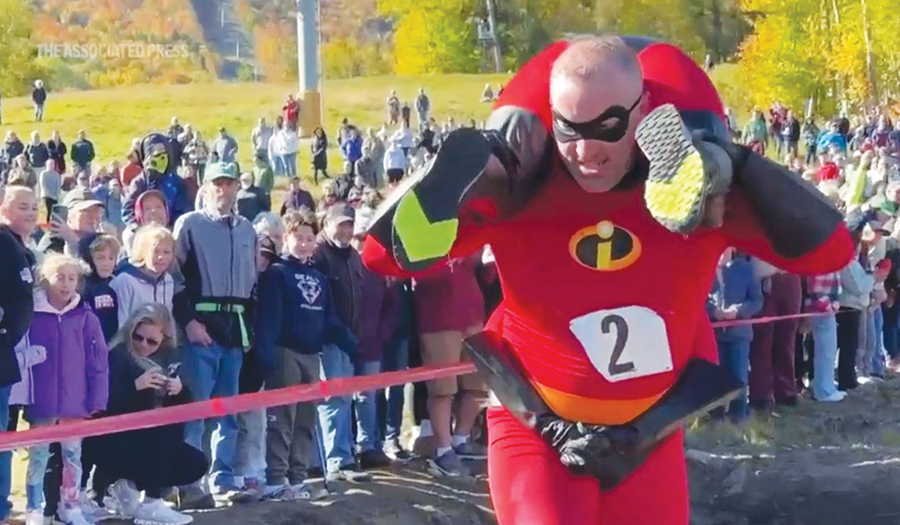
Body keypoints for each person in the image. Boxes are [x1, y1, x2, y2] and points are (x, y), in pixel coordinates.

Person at [361, 35, 853, 524]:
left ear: (643, 115)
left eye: (607, 127)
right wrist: (474, 167)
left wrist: (733, 164)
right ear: (548, 122)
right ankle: (508, 137)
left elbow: (831, 251)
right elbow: (384, 255)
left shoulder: (699, 198)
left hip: (646, 437)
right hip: (538, 428)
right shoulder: (521, 191)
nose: (586, 151)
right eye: (569, 129)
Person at [255, 209, 356, 498]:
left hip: (312, 355)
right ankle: (275, 479)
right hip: (285, 352)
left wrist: (351, 342)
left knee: (305, 419)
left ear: (315, 242)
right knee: (282, 419)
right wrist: (267, 355)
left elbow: (329, 320)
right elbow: (269, 320)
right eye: (297, 238)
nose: (303, 243)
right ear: (286, 239)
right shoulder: (276, 274)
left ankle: (297, 477)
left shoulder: (319, 277)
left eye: (309, 239)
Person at [173, 162, 257, 501]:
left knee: (228, 413)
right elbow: (175, 278)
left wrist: (247, 330)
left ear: (238, 187)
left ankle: (221, 478)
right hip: (201, 327)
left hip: (234, 329)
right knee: (196, 410)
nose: (224, 189)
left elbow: (253, 286)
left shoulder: (248, 229)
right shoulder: (190, 225)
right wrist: (190, 323)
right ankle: (188, 482)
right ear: (206, 187)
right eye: (217, 183)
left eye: (230, 183)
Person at [83, 304, 206, 525]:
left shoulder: (170, 358)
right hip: (108, 440)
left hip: (145, 441)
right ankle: (152, 500)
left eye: (152, 341)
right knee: (165, 427)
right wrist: (134, 387)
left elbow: (187, 409)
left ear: (164, 340)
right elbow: (100, 408)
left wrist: (179, 391)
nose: (143, 345)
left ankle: (129, 487)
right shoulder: (117, 355)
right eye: (138, 337)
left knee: (195, 462)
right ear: (130, 331)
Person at [24, 254, 109, 525]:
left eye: (72, 278)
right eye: (60, 277)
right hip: (41, 403)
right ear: (45, 279)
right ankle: (34, 509)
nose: (66, 283)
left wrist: (98, 398)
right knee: (37, 458)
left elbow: (99, 361)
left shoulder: (85, 317)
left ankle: (70, 506)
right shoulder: (31, 314)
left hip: (76, 403)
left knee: (73, 458)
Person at [314, 205, 372, 482]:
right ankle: (336, 461)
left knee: (344, 399)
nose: (346, 231)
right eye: (341, 225)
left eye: (350, 225)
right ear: (326, 223)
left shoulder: (353, 257)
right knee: (332, 399)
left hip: (349, 339)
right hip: (328, 340)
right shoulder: (318, 254)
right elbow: (321, 304)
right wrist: (342, 334)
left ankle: (344, 456)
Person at [0, 186, 39, 525]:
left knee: (5, 436)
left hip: (6, 361)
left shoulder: (20, 248)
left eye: (34, 207)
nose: (31, 212)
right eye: (23, 206)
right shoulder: (2, 242)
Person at [706, 248, 763, 421]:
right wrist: (713, 311)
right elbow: (699, 299)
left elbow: (757, 301)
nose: (721, 253)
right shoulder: (706, 269)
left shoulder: (744, 269)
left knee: (739, 376)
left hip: (739, 333)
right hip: (715, 334)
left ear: (732, 248)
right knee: (717, 376)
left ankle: (738, 417)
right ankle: (716, 416)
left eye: (725, 249)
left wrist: (738, 311)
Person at [110, 225, 177, 326]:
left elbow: (168, 321)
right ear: (142, 252)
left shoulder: (168, 281)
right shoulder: (125, 281)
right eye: (155, 251)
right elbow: (120, 322)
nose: (161, 257)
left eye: (166, 252)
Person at [122, 132, 189, 228]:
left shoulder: (178, 182)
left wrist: (172, 227)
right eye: (155, 154)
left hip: (172, 230)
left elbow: (184, 208)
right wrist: (137, 228)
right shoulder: (139, 182)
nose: (161, 157)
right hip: (145, 231)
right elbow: (128, 210)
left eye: (163, 152)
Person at [38, 187, 104, 259]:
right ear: (68, 215)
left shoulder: (99, 241)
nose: (93, 216)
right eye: (87, 211)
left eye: (96, 211)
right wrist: (72, 242)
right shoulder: (54, 243)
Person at [83, 234, 121, 342]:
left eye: (111, 258)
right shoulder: (83, 287)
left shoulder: (114, 285)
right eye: (100, 258)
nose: (106, 263)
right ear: (90, 259)